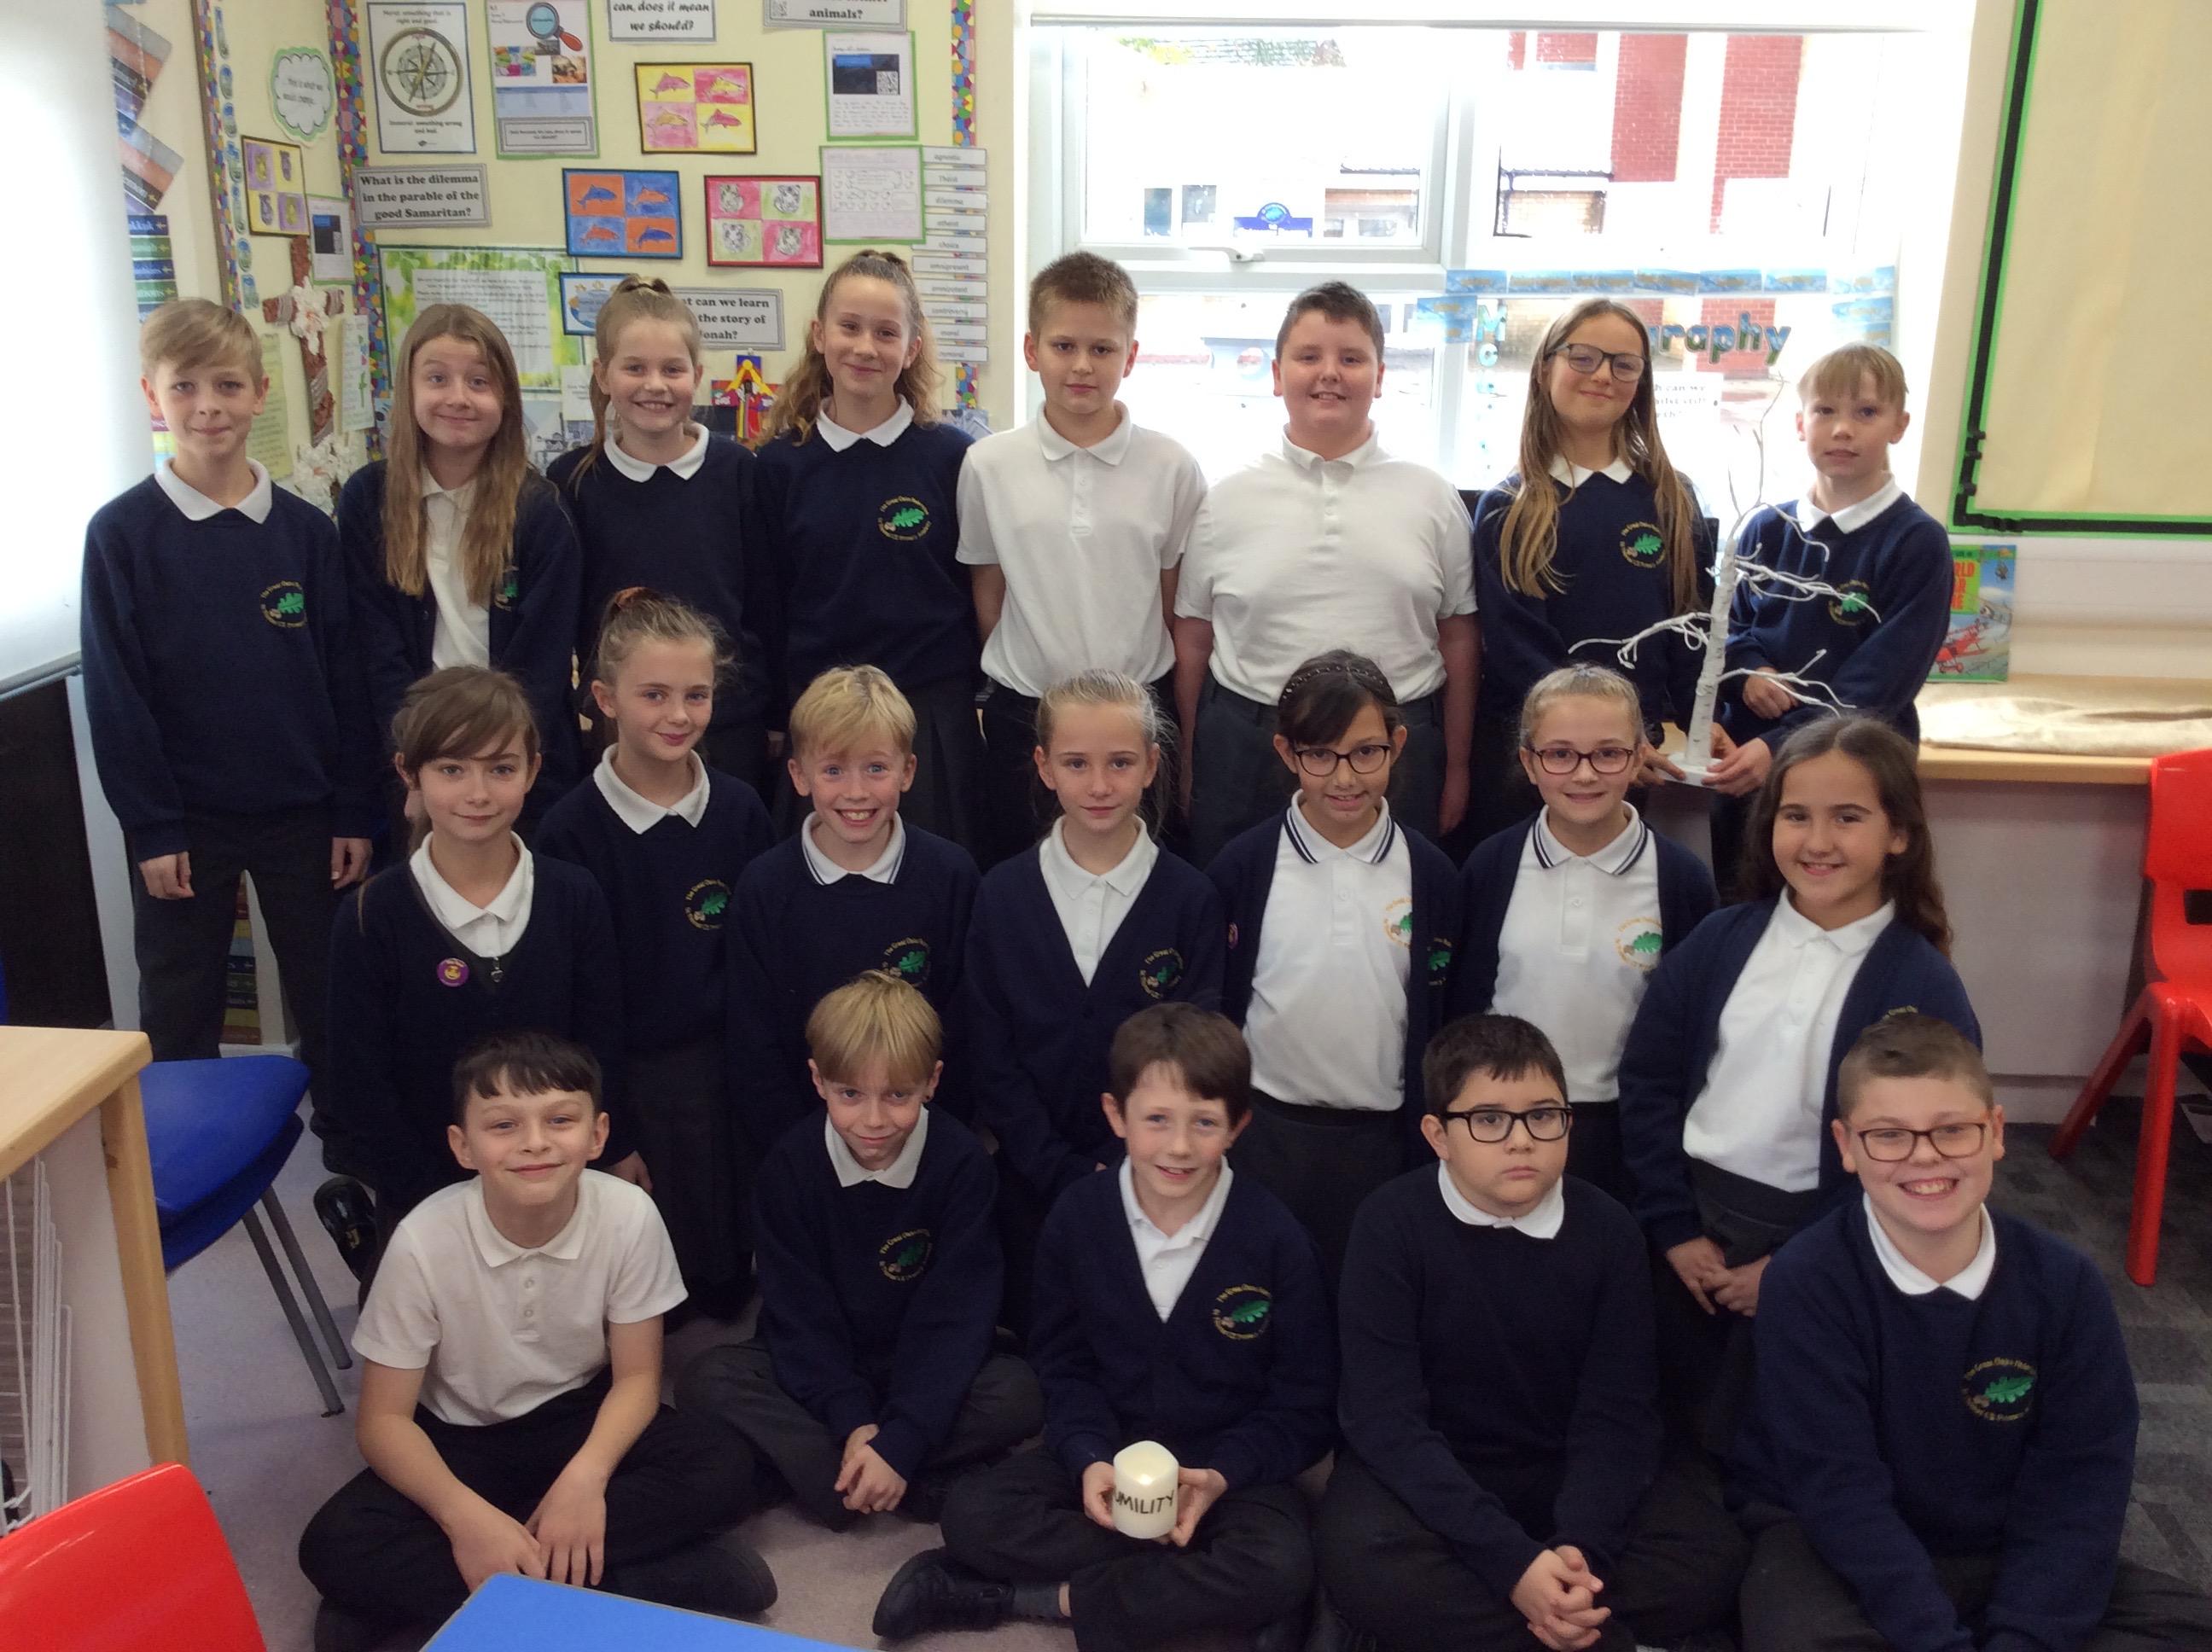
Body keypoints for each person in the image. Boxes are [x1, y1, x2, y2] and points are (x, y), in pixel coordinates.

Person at [1732, 1014, 2212, 1652]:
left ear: (1997, 1132)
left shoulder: (2065, 1283)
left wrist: (2029, 1636)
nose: (1925, 1155)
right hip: (1844, 1549)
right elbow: (1838, 1489)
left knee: (2187, 1625)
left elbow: (2081, 1482)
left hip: (2004, 1543)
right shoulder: (1807, 1280)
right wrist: (1936, 1640)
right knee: (1799, 1633)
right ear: (1847, 1146)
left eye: (1953, 1130)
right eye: (1889, 1135)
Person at [871, 1003, 1333, 1651]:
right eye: (1156, 1120)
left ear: (1238, 1125)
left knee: (1278, 1562)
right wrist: (1088, 1457)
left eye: (1204, 1122)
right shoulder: (1077, 1218)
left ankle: (1025, 1598)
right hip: (1112, 1452)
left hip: (1226, 1473)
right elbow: (1063, 1367)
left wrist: (1224, 1473)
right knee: (974, 1515)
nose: (1178, 1146)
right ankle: (1196, 1601)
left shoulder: (1278, 1239)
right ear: (1116, 1116)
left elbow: (1304, 1406)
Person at [298, 1032, 771, 1651]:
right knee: (333, 1543)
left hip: (577, 1416)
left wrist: (586, 1481)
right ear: (462, 1146)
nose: (535, 1143)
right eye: (504, 1125)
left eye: (560, 1120)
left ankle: (454, 1597)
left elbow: (636, 1378)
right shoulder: (421, 1241)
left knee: (724, 1466)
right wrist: (464, 1518)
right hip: (459, 1436)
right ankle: (645, 1577)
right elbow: (384, 1422)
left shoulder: (628, 1214)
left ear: (598, 1135)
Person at [1320, 1014, 1745, 1652]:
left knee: (1712, 1556)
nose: (1521, 1141)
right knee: (1363, 1561)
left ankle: (1554, 1613)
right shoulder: (1389, 1223)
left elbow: (1618, 1413)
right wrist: (1513, 1565)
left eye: (1543, 1116)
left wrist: (1582, 1550)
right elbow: (1387, 1420)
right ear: (1438, 1135)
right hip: (1440, 1470)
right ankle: (1593, 1634)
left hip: (1565, 1466)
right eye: (1489, 1120)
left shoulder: (1609, 1230)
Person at [1618, 714, 1977, 1449]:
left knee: (1789, 1438)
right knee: (1668, 1427)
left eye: (1848, 817)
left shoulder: (1921, 985)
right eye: (1796, 816)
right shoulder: (1719, 942)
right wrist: (1675, 1229)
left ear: (1899, 834)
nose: (1817, 842)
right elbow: (1649, 1081)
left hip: (1826, 1237)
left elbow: (1920, 1154)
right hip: (1692, 1224)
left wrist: (1794, 1265)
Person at [79, 298, 375, 1137]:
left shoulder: (306, 533)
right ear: (152, 396)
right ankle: (179, 1150)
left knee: (330, 991)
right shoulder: (122, 535)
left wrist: (354, 808)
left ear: (258, 395)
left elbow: (347, 680)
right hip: (186, 823)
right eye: (185, 387)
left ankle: (351, 1144)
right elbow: (117, 695)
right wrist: (153, 826)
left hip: (305, 813)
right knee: (179, 1001)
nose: (207, 405)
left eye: (227, 385)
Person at [676, 972, 1041, 1529]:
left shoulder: (961, 1163)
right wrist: (852, 1419)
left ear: (932, 1082)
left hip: (918, 1358)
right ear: (818, 1081)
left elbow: (956, 1314)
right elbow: (799, 1316)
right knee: (705, 1381)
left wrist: (905, 1434)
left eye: (897, 1095)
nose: (873, 1120)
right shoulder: (789, 1168)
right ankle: (897, 1476)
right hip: (822, 1365)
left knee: (1020, 1394)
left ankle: (845, 1476)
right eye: (851, 1094)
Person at [323, 667, 637, 1227]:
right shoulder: (372, 916)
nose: (478, 793)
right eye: (451, 769)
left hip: (560, 1180)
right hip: (425, 1197)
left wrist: (606, 1149)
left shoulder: (574, 896)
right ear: (409, 773)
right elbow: (360, 1080)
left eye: (501, 768)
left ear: (532, 770)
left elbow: (603, 1043)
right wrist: (429, 1196)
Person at [1174, 281, 1476, 864]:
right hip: (1249, 749)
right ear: (1276, 373)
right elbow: (1192, 638)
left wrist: (1458, 767)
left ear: (1380, 377)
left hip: (1397, 749)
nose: (1329, 373)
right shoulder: (1224, 500)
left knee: (1395, 910)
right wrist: (1190, 760)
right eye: (1309, 356)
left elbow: (1459, 637)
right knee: (1243, 910)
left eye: (1352, 359)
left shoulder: (1432, 498)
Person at [963, 670, 1225, 1331]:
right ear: (1044, 767)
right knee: (1039, 1341)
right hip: (1030, 1183)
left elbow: (1196, 1050)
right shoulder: (1002, 895)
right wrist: (1054, 1166)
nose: (1100, 785)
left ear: (1152, 766)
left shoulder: (1190, 899)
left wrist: (1131, 1156)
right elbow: (990, 1050)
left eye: (1120, 763)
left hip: (1157, 1179)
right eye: (1077, 763)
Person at [536, 590, 774, 1319]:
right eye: (654, 695)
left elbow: (761, 964)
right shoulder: (569, 831)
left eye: (696, 695)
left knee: (729, 1286)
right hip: (631, 1077)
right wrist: (612, 1128)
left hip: (730, 1068)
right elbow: (578, 1001)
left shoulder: (740, 809)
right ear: (606, 699)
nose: (678, 715)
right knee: (648, 1292)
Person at [1208, 651, 1461, 1282]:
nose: (1344, 777)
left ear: (1398, 745)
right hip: (1265, 1132)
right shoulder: (1243, 867)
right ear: (1287, 752)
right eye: (1320, 754)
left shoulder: (1431, 875)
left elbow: (1445, 1012)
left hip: (1386, 1138)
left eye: (1366, 752)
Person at [958, 253, 1206, 866]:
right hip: (1026, 713)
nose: (1082, 366)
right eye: (1064, 345)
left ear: (1131, 356)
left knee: (1140, 879)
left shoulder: (1172, 467)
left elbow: (1173, 600)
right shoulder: (988, 465)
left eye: (1102, 349)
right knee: (1023, 879)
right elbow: (989, 594)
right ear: (1031, 350)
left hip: (1137, 714)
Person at [1452, 666, 1715, 1200]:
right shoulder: (1490, 866)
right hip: (1504, 1122)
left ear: (1638, 757)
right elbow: (1464, 1001)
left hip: (1624, 1130)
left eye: (1608, 753)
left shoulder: (1680, 879)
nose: (1585, 774)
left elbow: (1692, 1026)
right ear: (1530, 762)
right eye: (1560, 754)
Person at [1703, 343, 1954, 891]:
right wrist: (1751, 671)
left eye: (1866, 412)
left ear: (1899, 425)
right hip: (1748, 768)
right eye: (1825, 411)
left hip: (1851, 772)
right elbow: (1728, 630)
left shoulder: (1917, 542)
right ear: (1800, 424)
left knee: (1837, 907)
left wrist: (1782, 748)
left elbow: (1879, 683)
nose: (1843, 429)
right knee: (1745, 904)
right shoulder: (1765, 528)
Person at [753, 250, 979, 846]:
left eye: (886, 333)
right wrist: (777, 716)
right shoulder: (779, 465)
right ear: (819, 335)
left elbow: (974, 591)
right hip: (821, 714)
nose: (865, 347)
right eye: (849, 327)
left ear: (912, 347)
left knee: (937, 878)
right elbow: (768, 601)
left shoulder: (953, 459)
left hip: (928, 715)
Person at [1466, 300, 1714, 844]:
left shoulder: (1672, 498)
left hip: (1637, 760)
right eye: (1582, 357)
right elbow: (1516, 652)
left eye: (1624, 364)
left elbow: (1691, 628)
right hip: (1541, 761)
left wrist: (1701, 724)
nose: (1603, 375)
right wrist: (1596, 743)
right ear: (1544, 369)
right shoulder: (1510, 507)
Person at [337, 304, 582, 824]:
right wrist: (420, 768)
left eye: (479, 381)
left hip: (520, 768)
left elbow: (541, 668)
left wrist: (492, 773)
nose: (458, 398)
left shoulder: (541, 512)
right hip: (411, 761)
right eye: (437, 379)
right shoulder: (369, 499)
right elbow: (376, 653)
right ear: (408, 390)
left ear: (506, 399)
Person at [726, 666, 979, 1152]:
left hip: (926, 1146)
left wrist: (935, 1142)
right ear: (799, 776)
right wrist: (800, 1154)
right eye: (834, 770)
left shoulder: (950, 876)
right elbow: (754, 1044)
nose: (857, 792)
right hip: (800, 1153)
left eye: (876, 768)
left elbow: (966, 1027)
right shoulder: (765, 887)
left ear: (908, 771)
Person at [548, 277, 777, 790]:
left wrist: (775, 713)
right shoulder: (572, 481)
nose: (655, 385)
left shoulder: (739, 472)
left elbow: (766, 601)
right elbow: (566, 614)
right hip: (621, 728)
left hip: (728, 723)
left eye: (672, 369)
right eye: (635, 368)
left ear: (697, 376)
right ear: (602, 374)